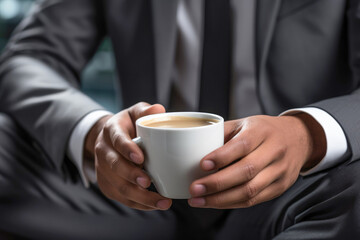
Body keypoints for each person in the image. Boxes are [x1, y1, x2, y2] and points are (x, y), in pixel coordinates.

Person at [0, 0, 359, 239]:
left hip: (291, 191)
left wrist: (307, 135)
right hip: (135, 189)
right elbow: (30, 59)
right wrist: (93, 133)